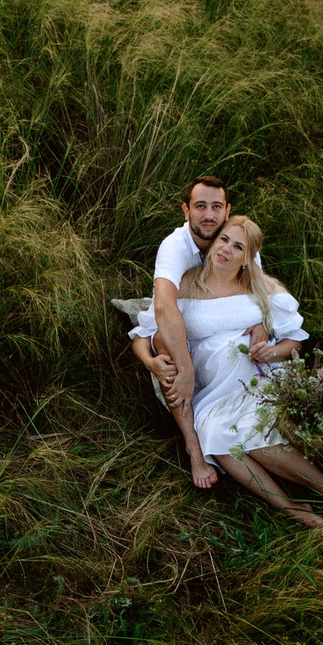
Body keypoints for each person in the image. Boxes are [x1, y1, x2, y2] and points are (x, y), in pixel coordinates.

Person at [130, 214, 323, 528]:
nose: (226, 248)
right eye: (224, 239)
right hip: (214, 392)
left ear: (246, 259)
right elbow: (144, 335)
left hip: (258, 381)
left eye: (237, 246)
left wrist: (270, 349)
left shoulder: (261, 288)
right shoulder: (185, 285)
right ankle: (292, 508)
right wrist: (150, 362)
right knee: (214, 436)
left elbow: (295, 342)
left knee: (257, 439)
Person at [133, 176, 233, 487]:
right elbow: (162, 309)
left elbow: (256, 293)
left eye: (216, 207)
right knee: (167, 345)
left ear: (227, 211)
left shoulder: (238, 241)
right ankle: (194, 449)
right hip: (179, 327)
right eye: (199, 206)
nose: (208, 215)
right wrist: (183, 368)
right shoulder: (174, 246)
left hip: (220, 327)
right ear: (185, 211)